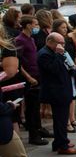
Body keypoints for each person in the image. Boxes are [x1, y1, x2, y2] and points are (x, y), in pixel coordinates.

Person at [37, 33, 76, 155]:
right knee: (61, 119)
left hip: (62, 90)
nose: (62, 46)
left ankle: (60, 141)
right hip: (56, 92)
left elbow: (62, 67)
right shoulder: (44, 54)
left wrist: (73, 69)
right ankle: (63, 145)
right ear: (50, 42)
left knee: (61, 119)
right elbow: (53, 69)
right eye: (59, 43)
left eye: (63, 43)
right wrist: (59, 54)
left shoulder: (54, 53)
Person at [15, 16, 52, 145]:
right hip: (29, 77)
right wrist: (28, 77)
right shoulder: (19, 40)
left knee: (36, 105)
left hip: (36, 74)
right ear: (28, 25)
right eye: (35, 24)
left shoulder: (30, 39)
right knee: (31, 107)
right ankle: (33, 135)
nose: (37, 26)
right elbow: (18, 63)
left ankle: (38, 128)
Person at [51, 19, 76, 133]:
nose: (65, 29)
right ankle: (67, 122)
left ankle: (72, 118)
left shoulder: (68, 39)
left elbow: (73, 54)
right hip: (62, 72)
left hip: (71, 69)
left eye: (65, 27)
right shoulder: (54, 41)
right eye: (62, 27)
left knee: (73, 94)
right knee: (66, 97)